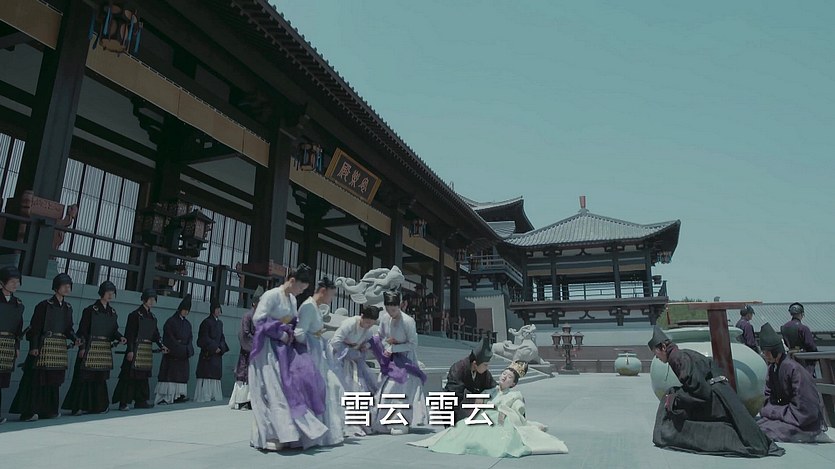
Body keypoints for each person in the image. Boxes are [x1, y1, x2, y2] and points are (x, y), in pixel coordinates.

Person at [648, 326, 784, 457]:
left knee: (670, 402)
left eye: (656, 353)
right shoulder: (680, 354)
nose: (657, 357)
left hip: (716, 395)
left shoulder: (677, 358)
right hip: (721, 390)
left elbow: (699, 390)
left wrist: (676, 397)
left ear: (663, 347)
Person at [409, 361, 569, 457]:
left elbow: (518, 411)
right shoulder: (490, 390)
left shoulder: (515, 395)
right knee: (462, 432)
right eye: (504, 374)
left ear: (513, 384)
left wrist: (505, 411)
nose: (505, 377)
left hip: (500, 421)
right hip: (482, 418)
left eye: (509, 377)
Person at [249, 264, 329, 451]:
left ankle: (290, 434)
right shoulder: (271, 295)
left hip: (285, 349)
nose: (301, 291)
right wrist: (279, 332)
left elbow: (293, 321)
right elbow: (258, 319)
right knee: (272, 390)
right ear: (292, 281)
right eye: (300, 287)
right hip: (268, 349)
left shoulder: (292, 299)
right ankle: (271, 434)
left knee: (289, 388)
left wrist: (290, 332)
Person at [10, 273, 79, 421]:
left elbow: (68, 329)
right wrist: (34, 346)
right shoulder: (44, 305)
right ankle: (29, 411)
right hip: (43, 346)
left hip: (58, 349)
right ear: (56, 287)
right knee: (36, 380)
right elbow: (35, 328)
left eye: (69, 286)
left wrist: (75, 338)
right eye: (64, 285)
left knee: (53, 381)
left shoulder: (68, 307)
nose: (67, 288)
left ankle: (48, 410)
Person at [756, 323, 831, 443]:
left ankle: (811, 434)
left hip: (803, 420)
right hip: (787, 414)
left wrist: (775, 412)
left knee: (768, 431)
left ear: (776, 350)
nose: (765, 355)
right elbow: (768, 397)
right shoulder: (772, 369)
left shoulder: (794, 369)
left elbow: (806, 407)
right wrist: (773, 411)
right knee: (757, 426)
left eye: (767, 352)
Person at [369, 290, 428, 435]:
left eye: (394, 310)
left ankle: (400, 422)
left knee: (403, 392)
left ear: (400, 305)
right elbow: (380, 335)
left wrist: (394, 347)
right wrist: (381, 344)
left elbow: (413, 344)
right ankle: (381, 422)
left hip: (406, 359)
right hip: (390, 360)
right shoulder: (385, 318)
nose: (391, 313)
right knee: (385, 390)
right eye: (388, 309)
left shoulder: (408, 321)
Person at [62, 281, 126, 415]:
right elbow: (83, 331)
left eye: (112, 293)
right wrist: (82, 348)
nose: (110, 295)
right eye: (108, 293)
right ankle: (78, 406)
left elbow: (113, 330)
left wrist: (120, 337)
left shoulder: (112, 312)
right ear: (102, 293)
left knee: (100, 379)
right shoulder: (90, 310)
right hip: (89, 347)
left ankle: (98, 406)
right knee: (83, 378)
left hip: (103, 350)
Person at [296, 277, 346, 445]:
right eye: (331, 295)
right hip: (310, 355)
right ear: (323, 291)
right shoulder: (309, 307)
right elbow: (299, 333)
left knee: (327, 389)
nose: (332, 299)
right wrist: (312, 342)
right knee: (317, 390)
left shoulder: (315, 307)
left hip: (318, 354)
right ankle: (310, 432)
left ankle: (323, 430)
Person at [112, 288, 168, 411]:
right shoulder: (134, 315)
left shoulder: (152, 317)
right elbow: (130, 334)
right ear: (144, 299)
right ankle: (123, 402)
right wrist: (130, 350)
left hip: (146, 351)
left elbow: (155, 335)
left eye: (154, 299)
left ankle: (141, 400)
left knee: (143, 377)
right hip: (135, 349)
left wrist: (161, 345)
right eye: (150, 299)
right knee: (129, 377)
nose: (152, 301)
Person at [443, 337, 497, 424]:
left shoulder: (484, 372)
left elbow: (492, 386)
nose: (487, 367)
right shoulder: (458, 368)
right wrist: (474, 399)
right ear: (475, 364)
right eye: (485, 365)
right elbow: (454, 392)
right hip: (454, 408)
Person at [330, 305, 379, 395]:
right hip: (340, 354)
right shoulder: (350, 324)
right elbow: (335, 341)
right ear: (362, 316)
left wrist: (365, 346)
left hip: (356, 355)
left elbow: (370, 340)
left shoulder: (368, 330)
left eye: (371, 324)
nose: (369, 326)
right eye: (367, 322)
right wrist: (348, 352)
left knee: (362, 379)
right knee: (343, 381)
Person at [154, 295, 194, 405]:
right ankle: (166, 397)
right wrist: (180, 348)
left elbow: (190, 339)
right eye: (184, 310)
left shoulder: (188, 324)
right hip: (173, 354)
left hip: (183, 353)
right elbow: (169, 338)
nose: (186, 312)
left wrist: (187, 349)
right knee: (170, 375)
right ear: (180, 309)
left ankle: (179, 395)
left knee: (180, 376)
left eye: (188, 310)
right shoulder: (171, 321)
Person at [229, 286, 262, 410]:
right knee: (244, 376)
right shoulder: (247, 316)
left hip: (257, 352)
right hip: (248, 353)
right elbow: (244, 335)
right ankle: (242, 401)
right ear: (254, 303)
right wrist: (256, 345)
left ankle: (251, 401)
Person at [0, 266, 24, 425]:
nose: (15, 285)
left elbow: (18, 328)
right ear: (2, 283)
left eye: (17, 282)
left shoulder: (18, 304)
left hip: (7, 346)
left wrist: (17, 346)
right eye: (12, 282)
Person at [194, 299, 229, 402]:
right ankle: (205, 395)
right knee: (207, 375)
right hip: (208, 354)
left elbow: (222, 337)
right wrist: (214, 347)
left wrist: (221, 347)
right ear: (212, 310)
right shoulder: (206, 322)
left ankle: (214, 395)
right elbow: (203, 338)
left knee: (215, 376)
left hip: (217, 355)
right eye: (216, 309)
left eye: (219, 309)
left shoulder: (220, 323)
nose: (218, 311)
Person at [781, 302, 818, 376]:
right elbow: (810, 345)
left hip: (790, 357)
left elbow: (786, 343)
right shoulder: (803, 328)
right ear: (801, 314)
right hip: (804, 361)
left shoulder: (784, 327)